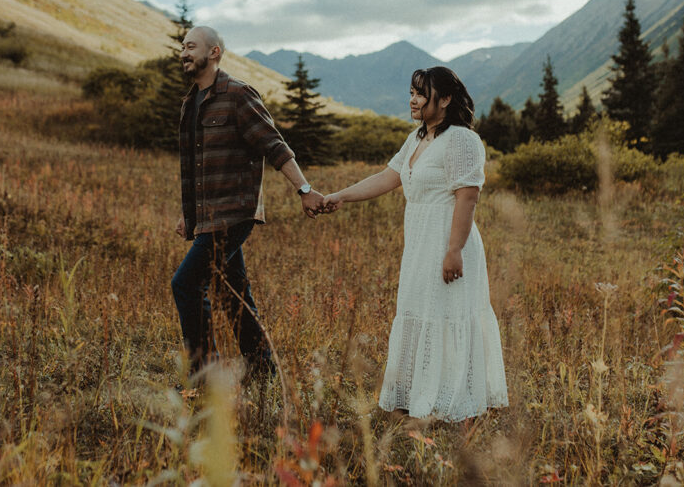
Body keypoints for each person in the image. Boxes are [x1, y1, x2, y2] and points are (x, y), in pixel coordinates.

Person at [321, 66, 508, 420]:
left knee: (446, 314)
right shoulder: (418, 138)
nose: (413, 100)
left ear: (446, 99)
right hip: (420, 242)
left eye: (421, 94)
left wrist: (453, 250)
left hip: (449, 239)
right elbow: (389, 177)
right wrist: (340, 196)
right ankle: (414, 396)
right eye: (412, 92)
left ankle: (450, 401)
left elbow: (467, 197)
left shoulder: (463, 140)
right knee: (419, 312)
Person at [173, 25, 325, 381]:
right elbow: (193, 167)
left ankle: (203, 376)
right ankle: (263, 369)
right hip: (207, 216)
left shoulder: (238, 95)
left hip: (234, 213)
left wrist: (305, 190)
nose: (184, 52)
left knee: (186, 284)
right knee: (231, 292)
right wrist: (188, 212)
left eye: (191, 46)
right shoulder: (189, 104)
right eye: (182, 46)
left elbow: (275, 146)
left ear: (214, 53)